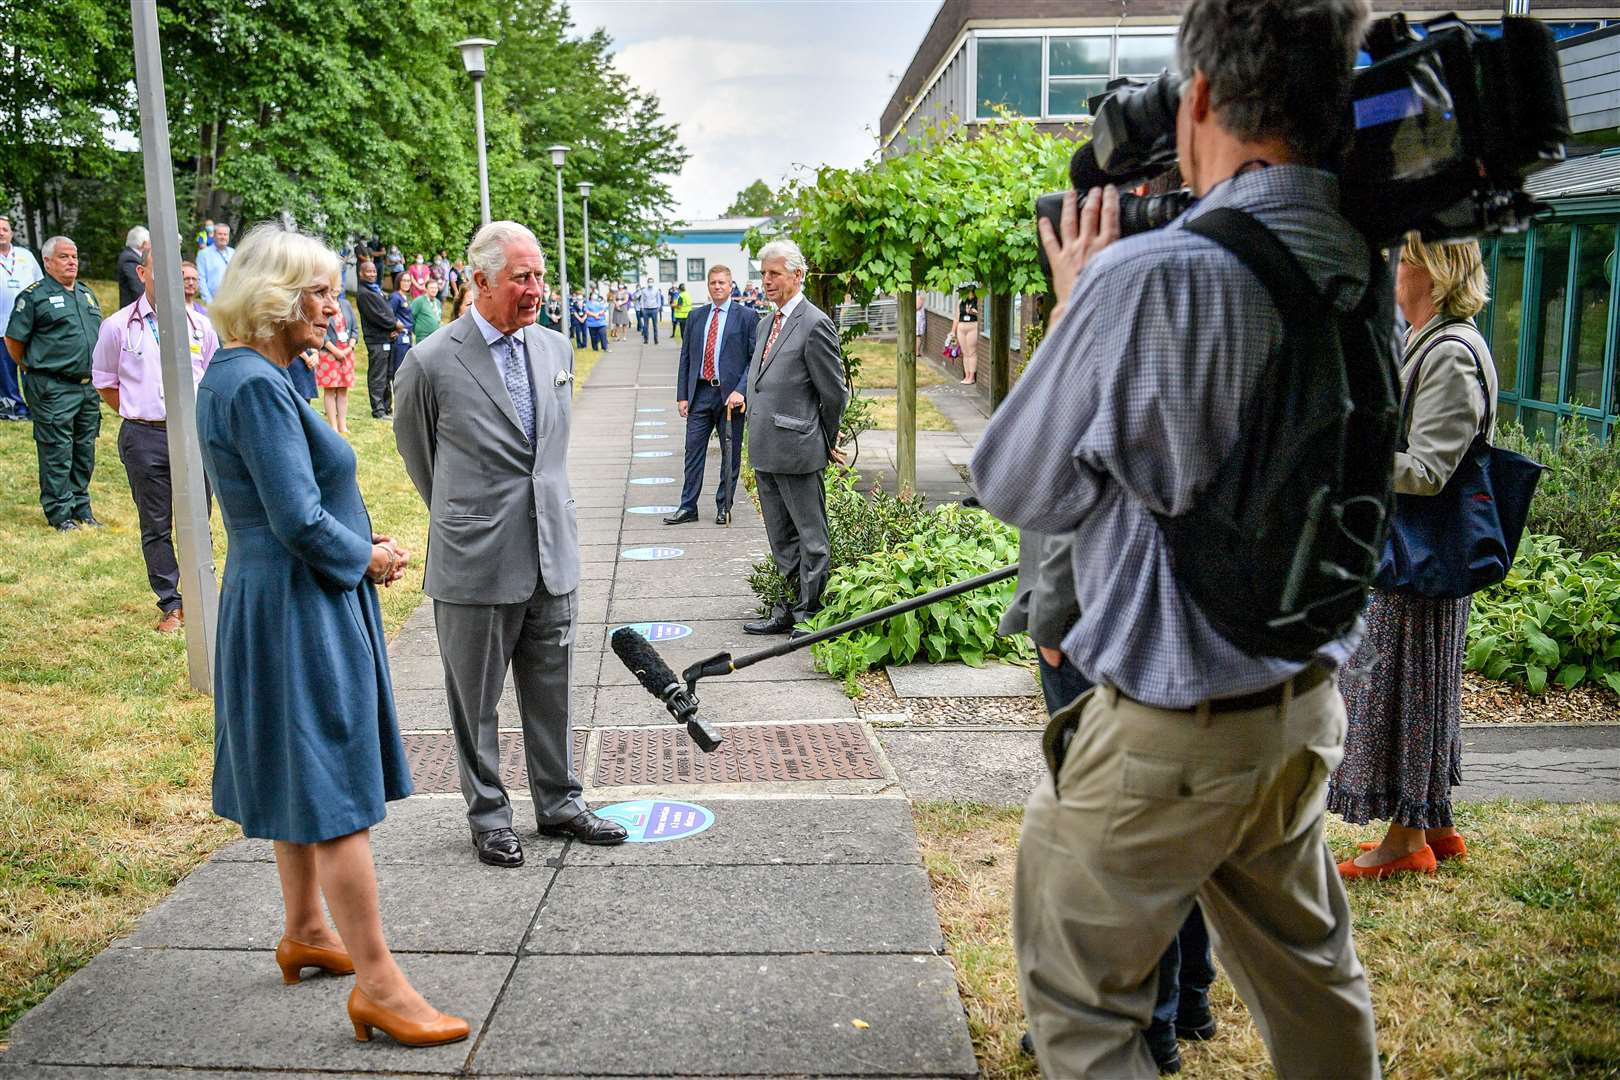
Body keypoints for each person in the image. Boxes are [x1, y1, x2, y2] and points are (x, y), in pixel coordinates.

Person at [970, 1, 1382, 1076]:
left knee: (1084, 1008)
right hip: (1297, 712)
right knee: (1315, 983)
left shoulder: (1150, 278)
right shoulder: (1357, 256)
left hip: (1170, 735)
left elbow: (1016, 482)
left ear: (1198, 96)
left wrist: (1076, 307)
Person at [196, 223, 466, 1048]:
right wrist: (372, 559)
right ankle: (380, 984)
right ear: (273, 300)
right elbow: (298, 519)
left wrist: (356, 549)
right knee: (336, 786)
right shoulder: (253, 385)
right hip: (297, 603)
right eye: (316, 292)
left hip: (282, 597)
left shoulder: (260, 375)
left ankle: (308, 929)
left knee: (302, 769)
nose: (331, 307)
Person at [394, 220, 627, 868]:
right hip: (475, 560)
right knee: (475, 701)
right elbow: (421, 457)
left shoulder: (554, 350)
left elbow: (545, 456)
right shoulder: (432, 360)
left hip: (551, 552)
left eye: (540, 276)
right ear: (480, 282)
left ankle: (560, 804)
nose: (536, 290)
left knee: (553, 690)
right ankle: (490, 816)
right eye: (522, 278)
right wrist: (465, 518)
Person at [1330, 235, 1498, 880]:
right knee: (1417, 686)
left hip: (1421, 555)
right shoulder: (1427, 341)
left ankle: (1406, 842)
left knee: (1403, 688)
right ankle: (1437, 823)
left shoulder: (1451, 353)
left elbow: (1428, 471)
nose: (1392, 270)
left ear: (1433, 272)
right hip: (1414, 551)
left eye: (1401, 259)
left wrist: (1352, 457)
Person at [91, 244, 219, 631]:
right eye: (156, 270)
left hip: (194, 437)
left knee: (198, 517)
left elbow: (212, 377)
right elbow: (105, 382)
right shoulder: (118, 326)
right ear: (143, 274)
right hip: (145, 437)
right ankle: (171, 602)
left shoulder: (199, 324)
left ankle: (202, 594)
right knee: (156, 522)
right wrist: (142, 413)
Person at [744, 240, 848, 638]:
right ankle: (785, 608)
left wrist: (825, 435)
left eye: (774, 274)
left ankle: (812, 614)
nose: (766, 281)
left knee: (811, 537)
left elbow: (833, 392)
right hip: (766, 447)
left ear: (797, 275)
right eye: (763, 273)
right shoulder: (765, 324)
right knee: (780, 536)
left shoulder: (815, 323)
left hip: (800, 447)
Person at [5, 236, 105, 531]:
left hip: (86, 386)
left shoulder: (86, 294)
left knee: (84, 449)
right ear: (47, 262)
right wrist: (32, 367)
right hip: (53, 387)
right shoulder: (34, 296)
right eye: (64, 257)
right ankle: (60, 513)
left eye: (74, 256)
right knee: (57, 450)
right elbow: (14, 341)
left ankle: (81, 506)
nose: (72, 262)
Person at [666, 266, 755, 528]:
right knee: (693, 451)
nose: (718, 287)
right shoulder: (695, 317)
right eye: (713, 283)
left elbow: (754, 360)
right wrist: (682, 395)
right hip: (701, 393)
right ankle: (687, 506)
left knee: (730, 454)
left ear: (731, 285)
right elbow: (686, 358)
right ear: (708, 286)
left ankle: (723, 506)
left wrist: (741, 390)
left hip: (731, 397)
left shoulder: (747, 317)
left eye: (722, 283)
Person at [0, 214, 43, 421]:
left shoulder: (26, 255)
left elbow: (40, 284)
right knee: (6, 373)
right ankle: (13, 409)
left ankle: (37, 406)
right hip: (1, 327)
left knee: (31, 369)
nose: (1, 233)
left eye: (5, 229)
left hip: (29, 326)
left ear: (12, 233)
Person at [356, 261, 398, 419]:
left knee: (387, 375)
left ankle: (387, 407)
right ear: (361, 274)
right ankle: (378, 410)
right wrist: (394, 325)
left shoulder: (375, 289)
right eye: (369, 271)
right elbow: (377, 316)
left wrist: (392, 330)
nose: (372, 274)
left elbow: (386, 311)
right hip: (376, 340)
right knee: (378, 375)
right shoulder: (364, 293)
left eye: (374, 271)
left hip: (386, 338)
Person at [318, 286, 359, 435]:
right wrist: (335, 351)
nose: (336, 288)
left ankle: (343, 425)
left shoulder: (346, 304)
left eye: (338, 286)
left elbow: (355, 328)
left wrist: (349, 348)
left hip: (347, 353)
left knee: (343, 390)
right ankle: (333, 426)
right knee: (330, 390)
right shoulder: (321, 304)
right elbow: (320, 331)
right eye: (333, 286)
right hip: (329, 353)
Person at [196, 222, 235, 304]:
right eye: (220, 234)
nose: (223, 237)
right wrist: (209, 302)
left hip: (232, 301)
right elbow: (201, 279)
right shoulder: (203, 254)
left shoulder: (233, 253)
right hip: (213, 302)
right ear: (214, 235)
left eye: (225, 234)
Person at [117, 225, 150, 310]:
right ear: (143, 243)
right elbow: (139, 289)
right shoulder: (130, 259)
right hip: (133, 312)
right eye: (149, 241)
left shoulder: (131, 256)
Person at [953, 285, 979, 385]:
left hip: (972, 327)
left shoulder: (977, 302)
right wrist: (953, 331)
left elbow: (980, 315)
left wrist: (974, 312)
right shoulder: (961, 302)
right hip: (961, 327)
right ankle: (967, 375)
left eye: (968, 292)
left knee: (972, 352)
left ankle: (972, 376)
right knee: (965, 353)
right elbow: (956, 317)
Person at [636, 279, 661, 344]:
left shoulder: (656, 290)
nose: (650, 283)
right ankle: (646, 339)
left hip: (654, 309)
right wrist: (642, 308)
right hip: (646, 309)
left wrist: (658, 307)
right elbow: (642, 300)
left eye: (651, 282)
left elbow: (659, 299)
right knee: (646, 326)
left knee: (655, 325)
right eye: (649, 282)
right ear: (647, 283)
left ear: (653, 282)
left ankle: (656, 339)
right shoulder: (644, 290)